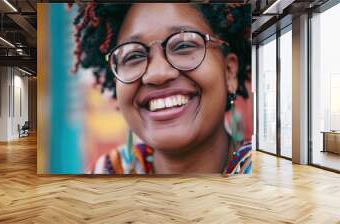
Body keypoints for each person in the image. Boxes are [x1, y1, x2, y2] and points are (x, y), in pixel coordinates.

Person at [72, 3, 252, 175]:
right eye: (133, 56)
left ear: (229, 72)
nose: (157, 74)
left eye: (183, 46)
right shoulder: (104, 179)